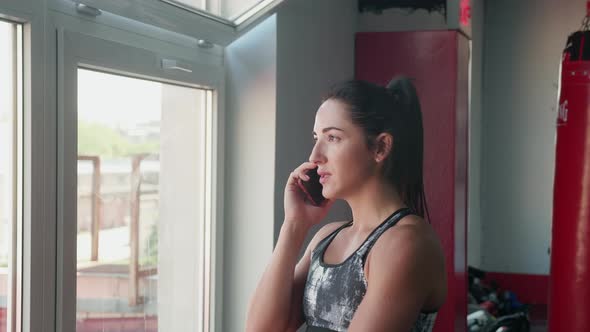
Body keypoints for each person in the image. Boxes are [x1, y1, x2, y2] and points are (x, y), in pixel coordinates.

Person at [245, 77, 447, 332]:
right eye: (316, 137)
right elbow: (260, 329)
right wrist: (294, 226)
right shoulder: (327, 237)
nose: (314, 156)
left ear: (380, 147)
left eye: (333, 138)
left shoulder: (405, 243)